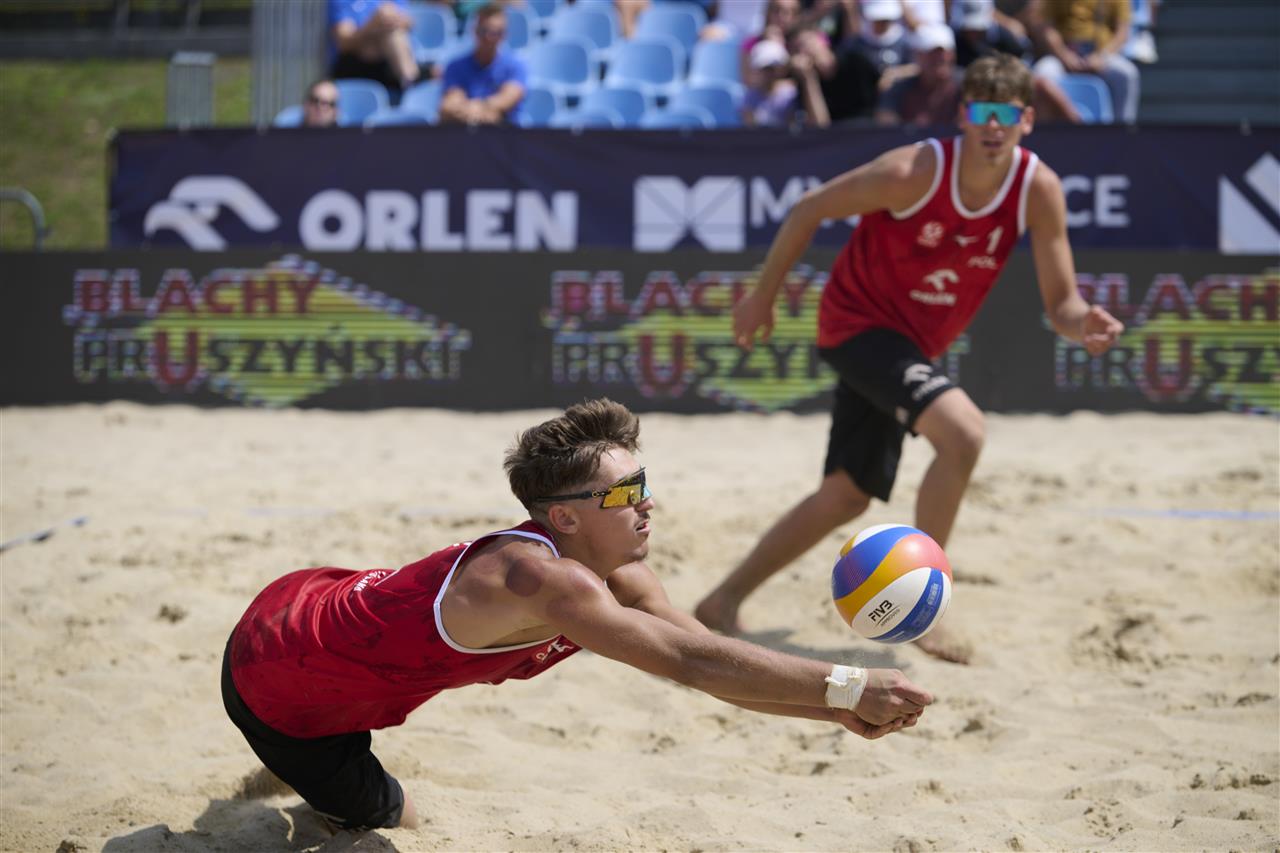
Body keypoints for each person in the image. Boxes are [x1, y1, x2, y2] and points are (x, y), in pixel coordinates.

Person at [222, 398, 933, 833]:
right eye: (624, 495)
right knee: (401, 823)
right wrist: (850, 683)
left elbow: (709, 660)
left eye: (643, 483)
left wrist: (836, 709)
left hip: (322, 613)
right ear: (563, 518)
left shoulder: (619, 570)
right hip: (278, 676)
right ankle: (307, 782)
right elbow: (693, 664)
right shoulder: (541, 578)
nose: (646, 503)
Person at [694, 53, 1124, 664]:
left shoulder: (1038, 188)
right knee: (963, 434)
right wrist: (763, 297)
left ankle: (721, 601)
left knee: (846, 496)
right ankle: (925, 609)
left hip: (911, 345)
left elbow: (1062, 304)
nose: (993, 125)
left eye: (1006, 114)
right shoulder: (913, 171)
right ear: (963, 115)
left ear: (1027, 121)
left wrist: (1086, 326)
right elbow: (809, 207)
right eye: (982, 112)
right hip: (856, 325)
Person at [1027, 0, 1141, 123]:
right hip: (1063, 55)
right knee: (1042, 72)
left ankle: (1122, 129)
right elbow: (1047, 28)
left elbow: (1122, 33)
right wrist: (1064, 55)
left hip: (1102, 55)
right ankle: (1049, 130)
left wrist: (1102, 57)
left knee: (1127, 74)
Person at [438, 2, 527, 126]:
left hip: (504, 135)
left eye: (496, 32)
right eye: (483, 30)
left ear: (504, 35)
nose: (488, 37)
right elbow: (450, 104)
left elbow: (507, 100)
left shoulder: (516, 66)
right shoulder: (455, 67)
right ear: (474, 31)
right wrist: (481, 110)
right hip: (463, 133)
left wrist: (475, 108)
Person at [874, 23, 962, 126]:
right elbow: (886, 126)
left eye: (946, 52)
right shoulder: (899, 91)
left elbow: (977, 123)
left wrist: (968, 117)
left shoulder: (968, 88)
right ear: (918, 55)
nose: (941, 58)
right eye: (932, 53)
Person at [328, 0, 422, 95]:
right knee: (385, 39)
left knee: (395, 35)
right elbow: (345, 43)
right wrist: (372, 26)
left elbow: (408, 22)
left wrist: (394, 21)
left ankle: (410, 83)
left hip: (389, 61)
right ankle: (412, 84)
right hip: (354, 63)